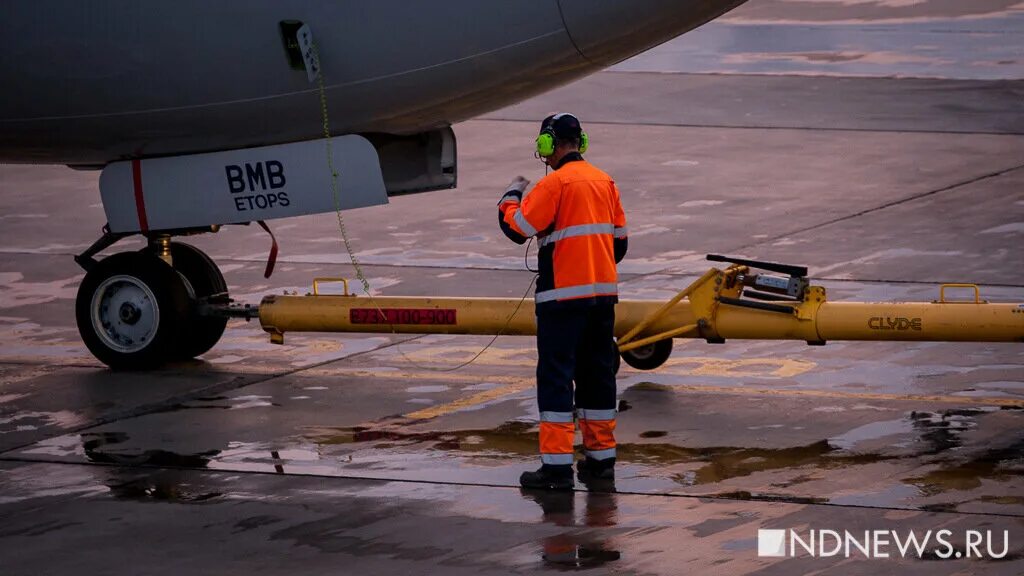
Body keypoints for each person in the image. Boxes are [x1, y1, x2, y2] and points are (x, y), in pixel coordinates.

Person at [497, 112, 628, 490]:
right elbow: (619, 244)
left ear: (548, 144)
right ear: (581, 143)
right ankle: (601, 460)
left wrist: (509, 198)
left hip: (561, 301)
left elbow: (517, 229)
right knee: (597, 375)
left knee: (556, 378)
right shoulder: (606, 182)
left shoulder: (554, 185)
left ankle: (556, 469)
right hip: (602, 297)